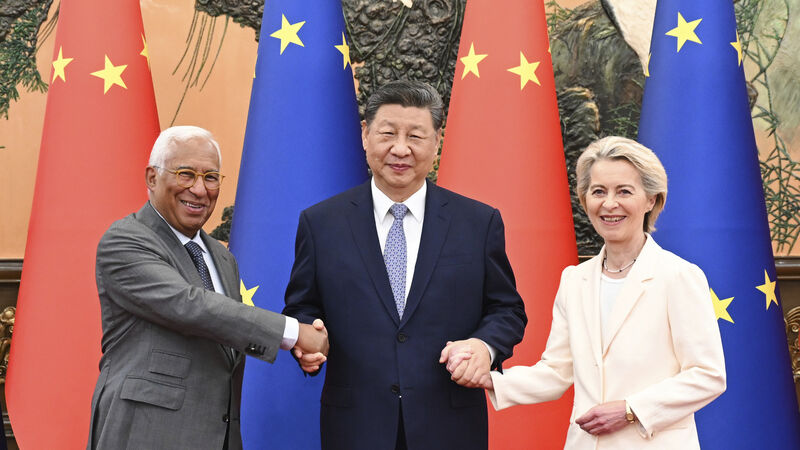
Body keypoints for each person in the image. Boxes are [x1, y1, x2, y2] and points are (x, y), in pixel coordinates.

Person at [281, 80, 527, 450]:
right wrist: (309, 340)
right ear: (365, 136)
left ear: (436, 141)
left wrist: (484, 347)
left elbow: (506, 309)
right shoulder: (321, 223)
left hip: (450, 427)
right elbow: (302, 306)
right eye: (387, 134)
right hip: (356, 427)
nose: (400, 148)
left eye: (415, 136)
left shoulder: (478, 222)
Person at [446, 136, 726, 449]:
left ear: (651, 200)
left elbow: (708, 375)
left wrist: (631, 410)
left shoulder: (678, 276)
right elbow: (556, 372)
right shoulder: (574, 280)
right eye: (598, 191)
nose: (609, 204)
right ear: (584, 200)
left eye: (624, 191)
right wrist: (490, 379)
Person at [87, 126, 329, 450]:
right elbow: (190, 306)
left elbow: (227, 331)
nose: (200, 189)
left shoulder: (221, 257)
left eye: (211, 177)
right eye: (186, 174)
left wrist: (303, 347)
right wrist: (293, 333)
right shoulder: (125, 240)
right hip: (145, 436)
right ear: (152, 178)